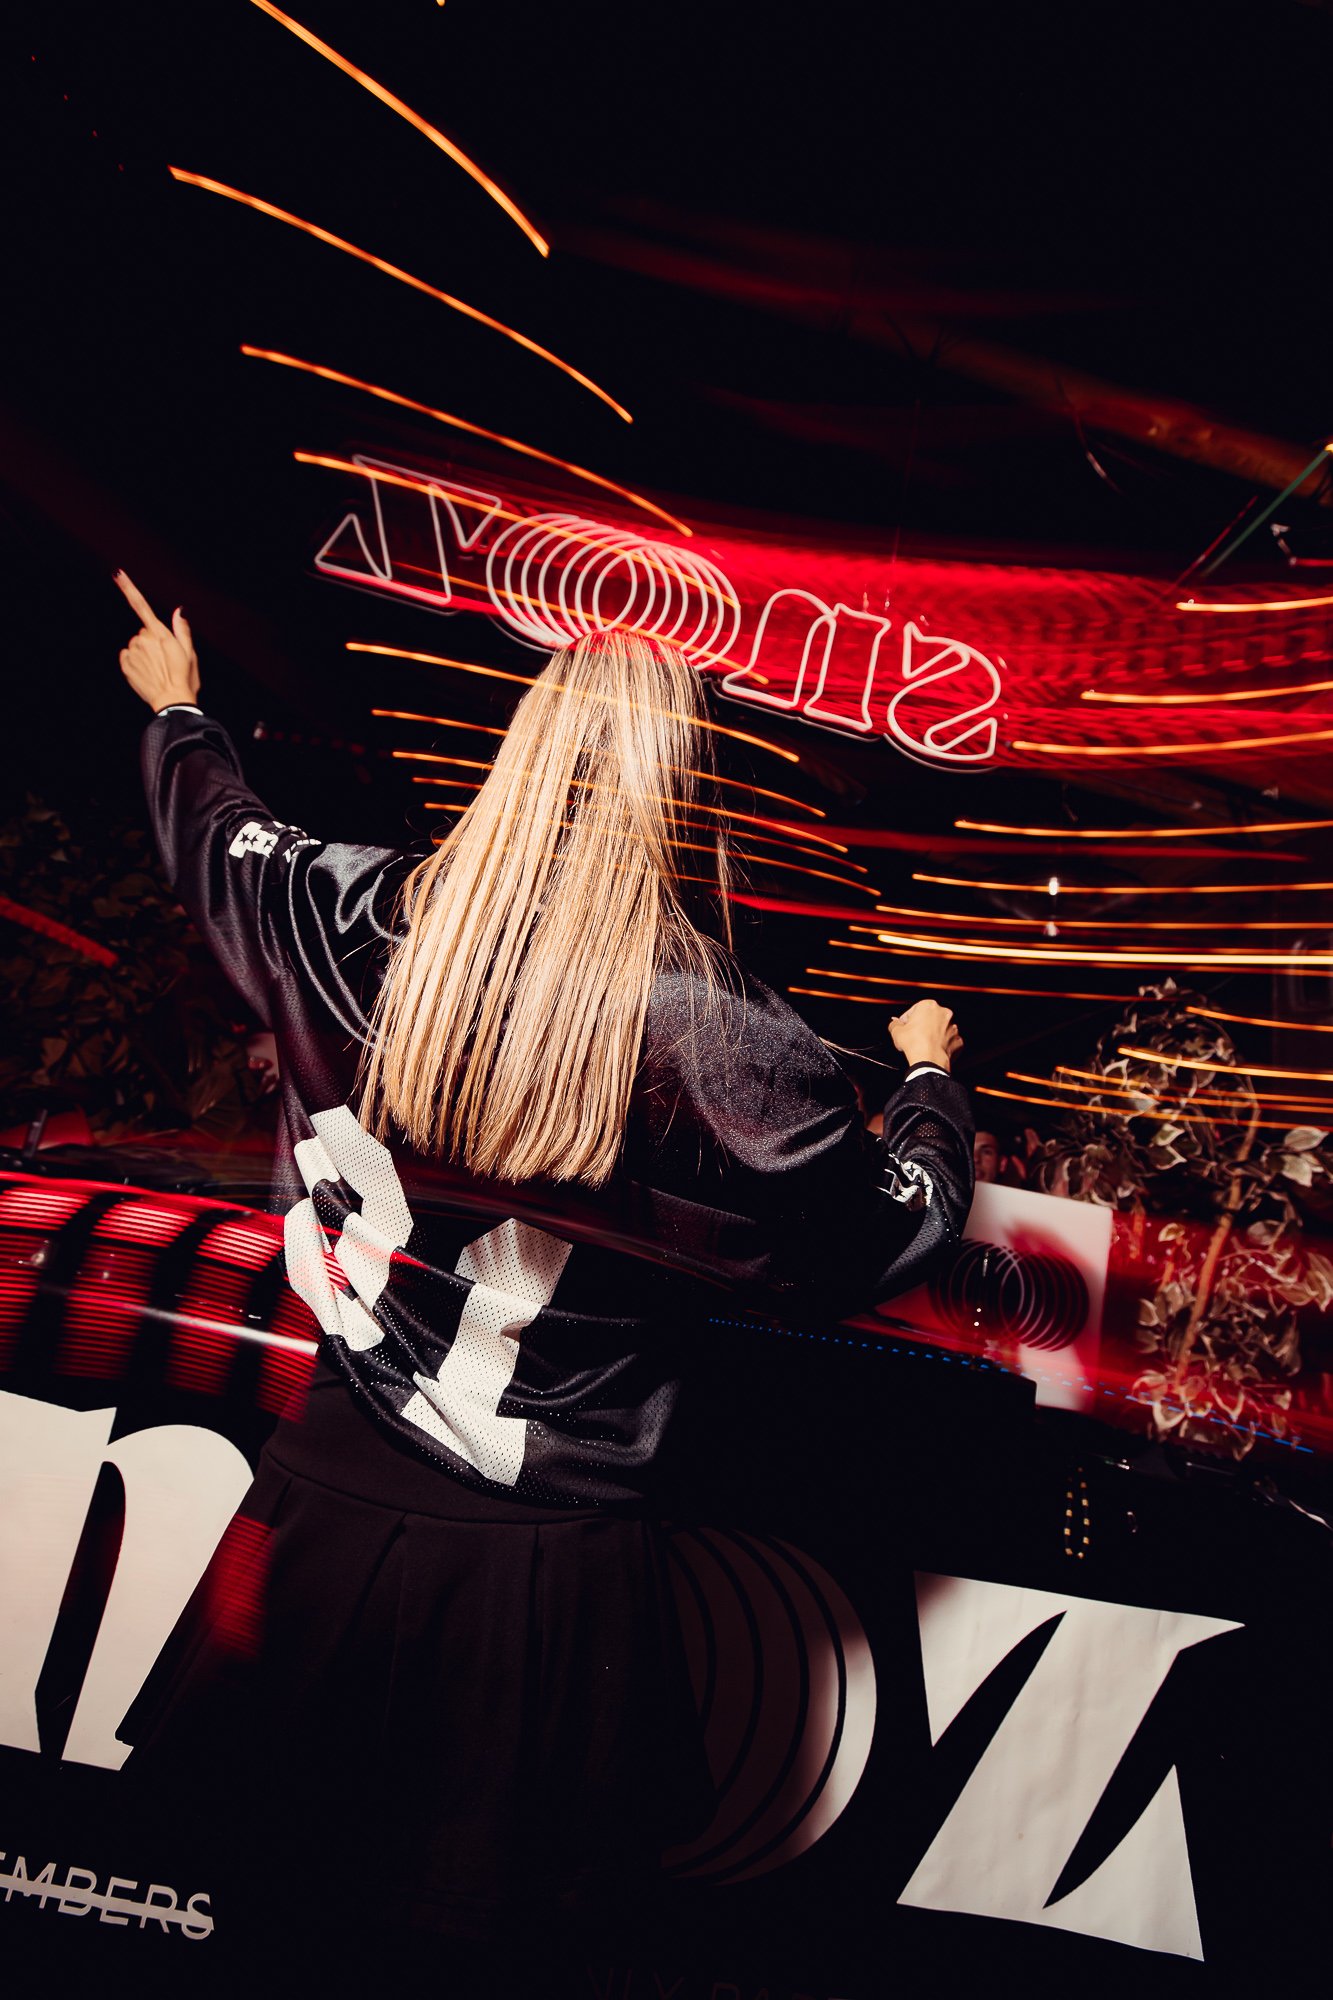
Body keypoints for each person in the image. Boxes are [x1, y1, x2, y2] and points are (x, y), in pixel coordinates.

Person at [112, 572, 973, 1991]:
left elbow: (218, 835)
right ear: (687, 801)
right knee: (489, 1949)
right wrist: (929, 1081)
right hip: (550, 1572)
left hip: (323, 1505)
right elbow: (895, 1234)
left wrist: (180, 709)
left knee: (264, 1915)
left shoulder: (349, 915)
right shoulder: (734, 1045)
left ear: (516, 751)